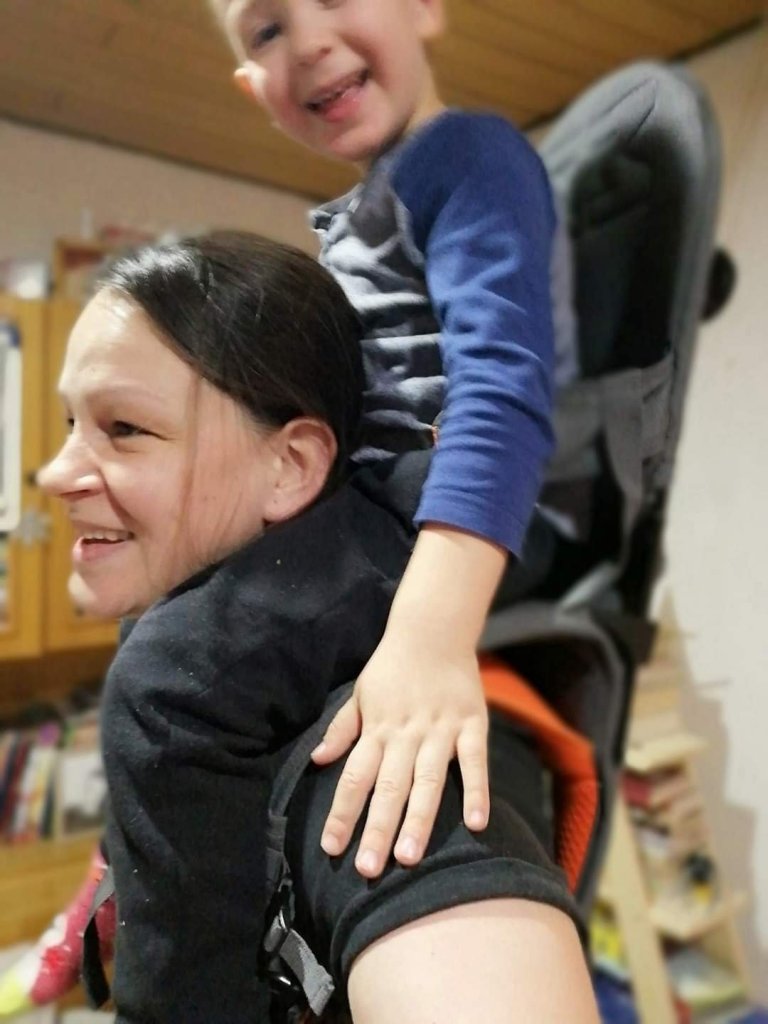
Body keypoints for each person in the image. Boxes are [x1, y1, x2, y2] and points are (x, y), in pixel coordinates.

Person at [28, 231, 597, 1023]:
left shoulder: (382, 773)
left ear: (290, 466)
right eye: (71, 423)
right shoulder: (188, 635)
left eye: (125, 428)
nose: (55, 474)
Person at [210, 0, 580, 887]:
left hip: (457, 505)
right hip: (387, 495)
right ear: (254, 87)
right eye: (267, 29)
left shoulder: (466, 155)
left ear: (423, 6)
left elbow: (502, 390)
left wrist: (428, 637)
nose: (309, 40)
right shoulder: (366, 207)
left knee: (185, 663)